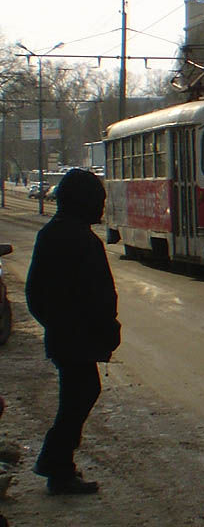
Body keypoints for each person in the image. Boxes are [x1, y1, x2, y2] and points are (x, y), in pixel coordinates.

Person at [25, 168, 120, 496]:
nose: (102, 208)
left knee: (78, 395)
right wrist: (107, 331)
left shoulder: (50, 234)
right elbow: (98, 296)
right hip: (79, 338)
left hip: (62, 336)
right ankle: (56, 464)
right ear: (85, 202)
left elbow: (34, 293)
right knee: (79, 397)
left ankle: (57, 463)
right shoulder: (84, 241)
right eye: (99, 200)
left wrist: (53, 323)